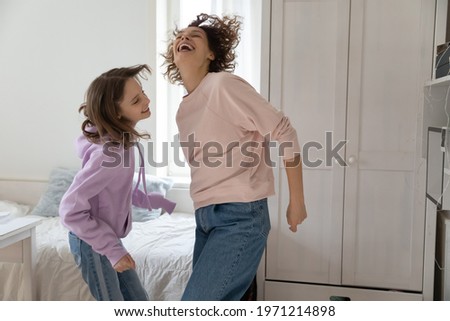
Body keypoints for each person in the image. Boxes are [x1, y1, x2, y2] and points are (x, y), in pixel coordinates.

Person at [162, 13, 307, 300]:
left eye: (195, 36)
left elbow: (284, 131)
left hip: (240, 216)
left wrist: (297, 201)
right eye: (180, 36)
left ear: (211, 54)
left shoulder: (222, 85)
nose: (184, 38)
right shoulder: (183, 110)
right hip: (205, 217)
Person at [59, 65, 176, 301]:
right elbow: (70, 210)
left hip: (107, 237)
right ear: (116, 113)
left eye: (142, 92)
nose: (147, 100)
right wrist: (113, 250)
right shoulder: (108, 154)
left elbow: (114, 190)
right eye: (136, 100)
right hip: (91, 241)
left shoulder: (121, 144)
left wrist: (154, 200)